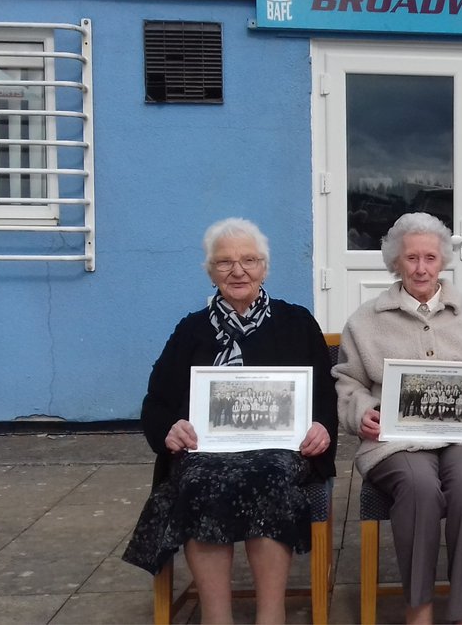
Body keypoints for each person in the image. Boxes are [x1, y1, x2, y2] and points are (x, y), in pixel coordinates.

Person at [122, 217, 338, 624]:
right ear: (211, 272)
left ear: (264, 268)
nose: (238, 271)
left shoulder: (296, 322)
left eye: (249, 260)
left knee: (270, 477)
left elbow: (326, 395)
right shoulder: (191, 329)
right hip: (206, 451)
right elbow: (157, 401)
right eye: (225, 262)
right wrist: (170, 429)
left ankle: (270, 616)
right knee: (200, 481)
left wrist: (321, 427)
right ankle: (216, 616)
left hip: (280, 450)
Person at [334, 212, 462, 625]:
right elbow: (348, 384)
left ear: (443, 261)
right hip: (398, 440)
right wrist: (362, 413)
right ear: (395, 262)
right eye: (411, 258)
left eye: (430, 258)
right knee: (419, 487)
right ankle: (418, 608)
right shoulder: (365, 321)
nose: (421, 268)